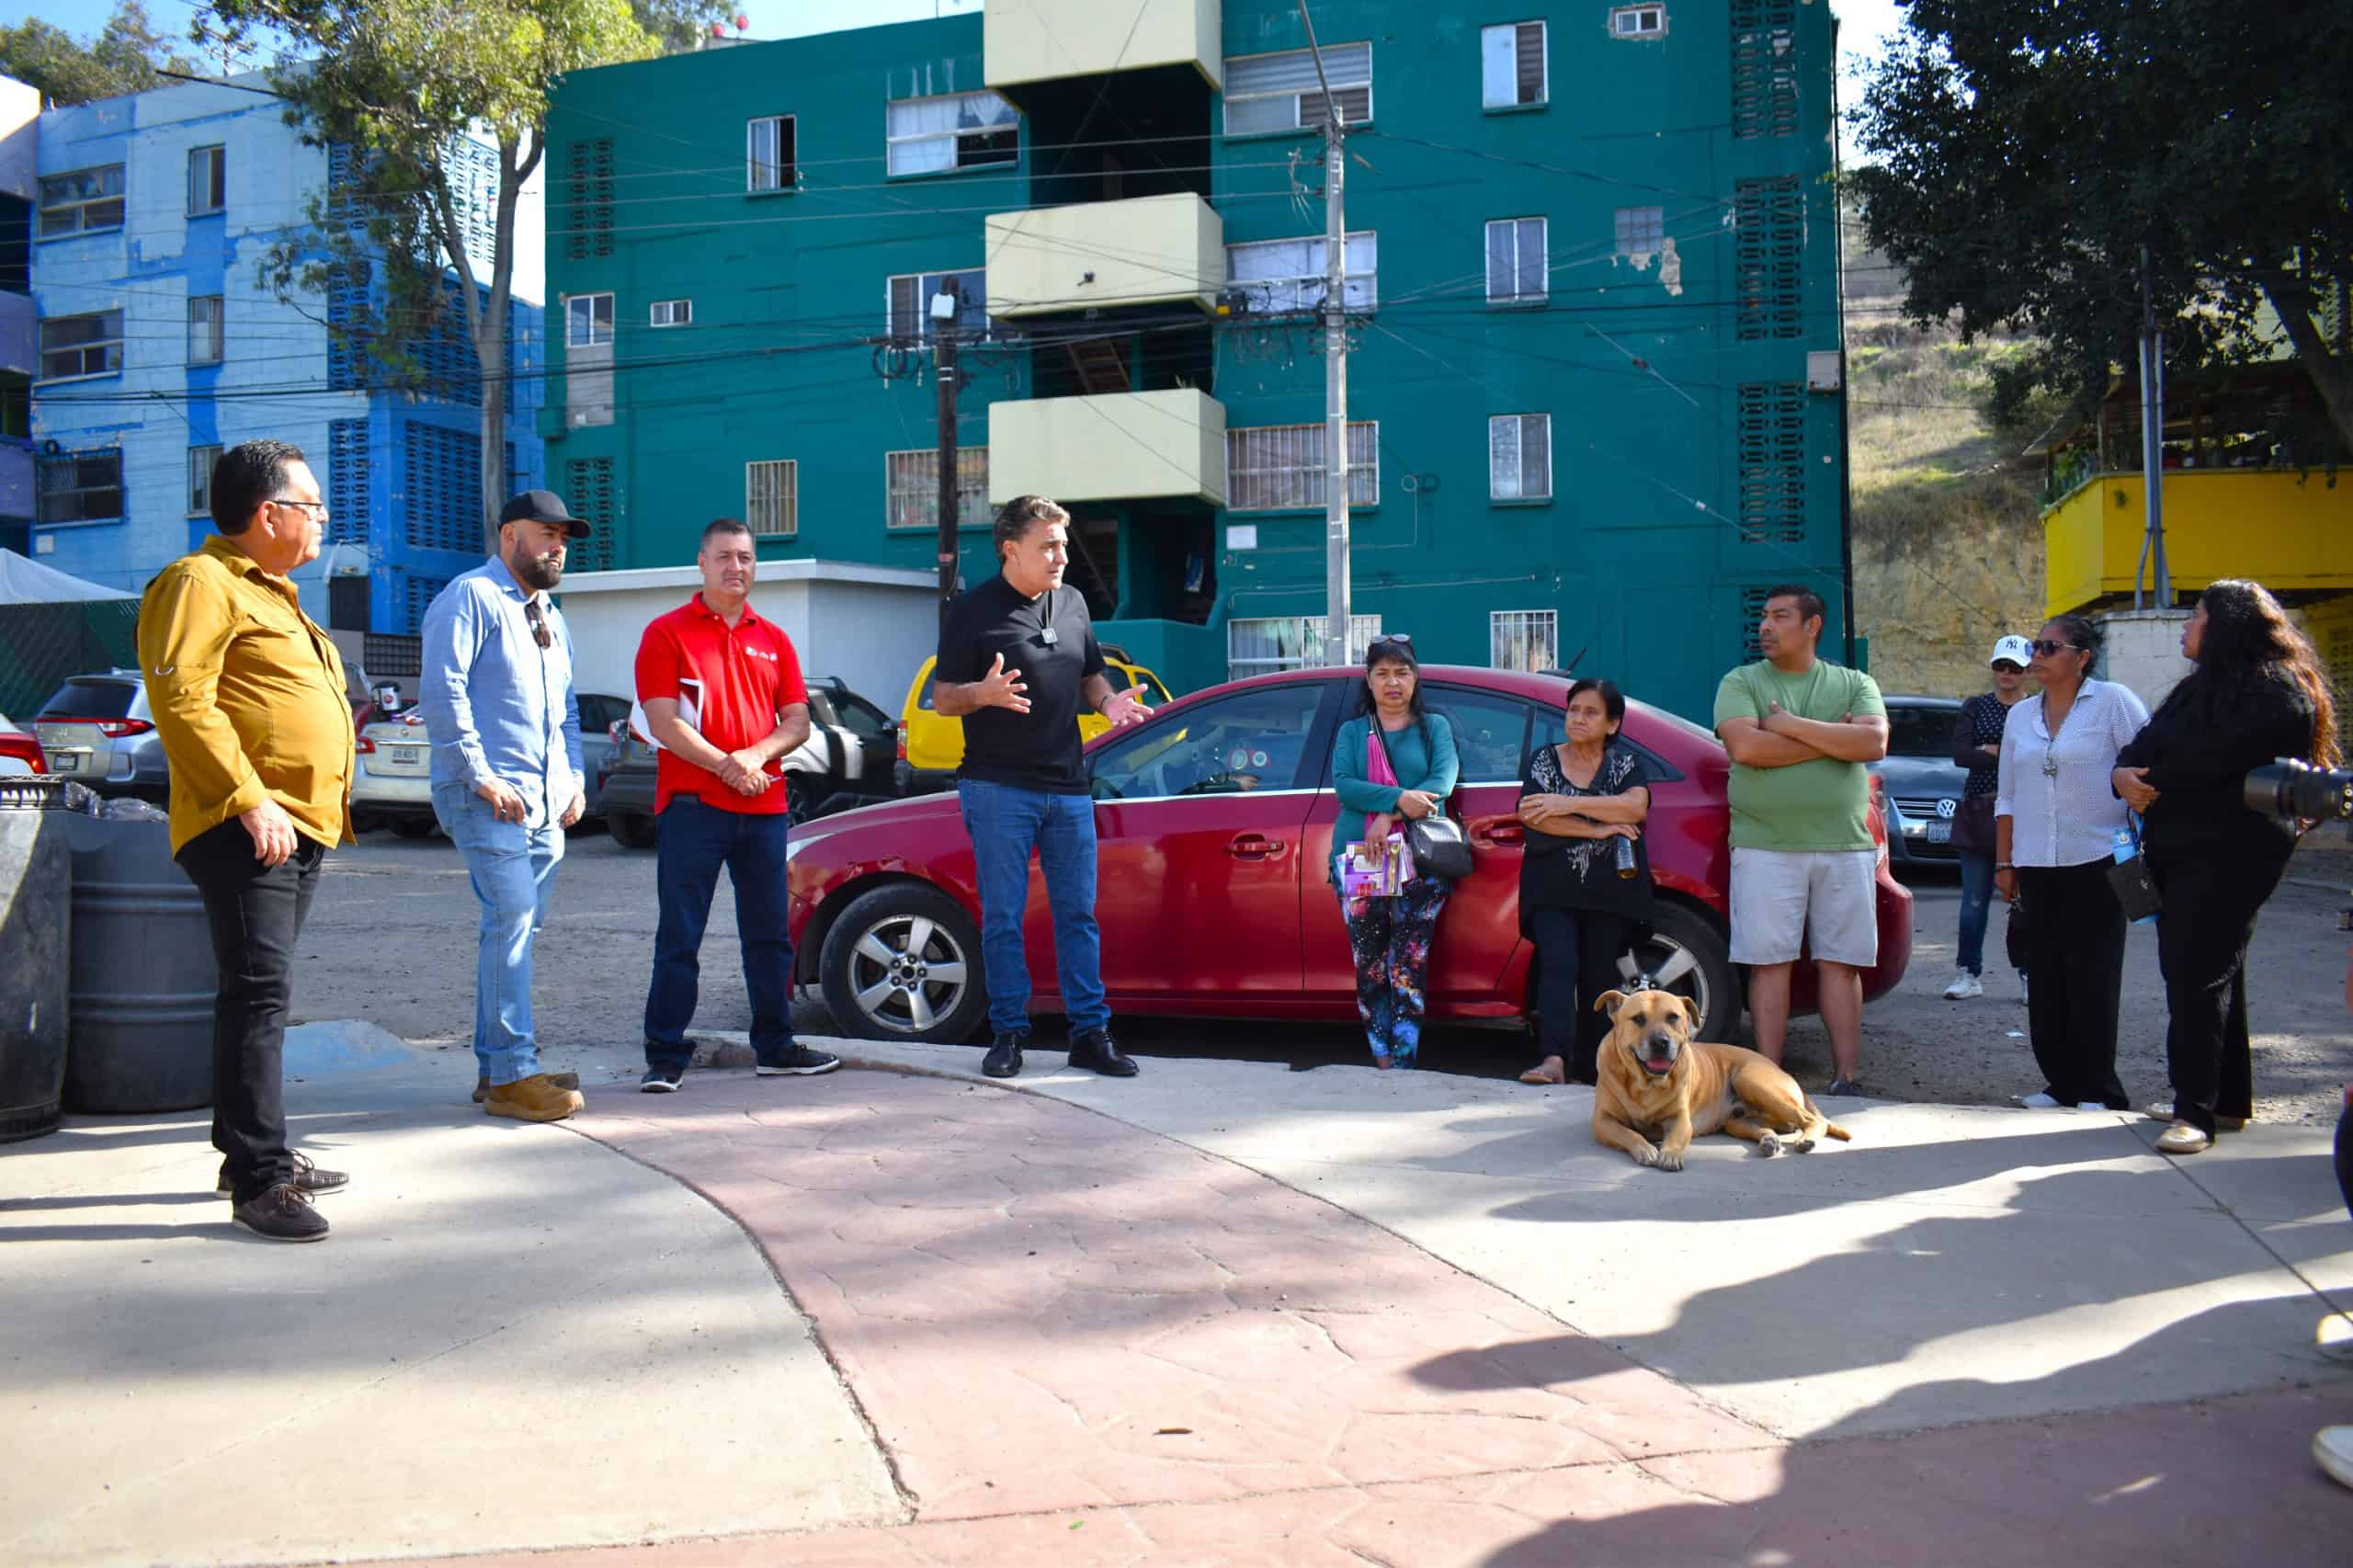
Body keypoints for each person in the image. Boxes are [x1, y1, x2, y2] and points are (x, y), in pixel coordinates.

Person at [138, 440, 355, 1242]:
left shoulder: (275, 593)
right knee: (258, 995)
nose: (323, 519)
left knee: (258, 992)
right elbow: (181, 697)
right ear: (269, 514)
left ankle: (248, 1154)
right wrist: (247, 798)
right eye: (314, 506)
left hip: (293, 824)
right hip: (247, 824)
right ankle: (261, 1181)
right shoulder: (201, 583)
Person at [2111, 579, 2339, 1153]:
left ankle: (2195, 1113)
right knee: (2217, 971)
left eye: (2197, 616)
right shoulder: (2198, 689)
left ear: (2228, 626)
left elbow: (2205, 763)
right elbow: (2143, 744)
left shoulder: (2277, 692)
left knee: (2195, 973)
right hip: (2180, 850)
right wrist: (2122, 774)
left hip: (2234, 855)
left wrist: (2150, 779)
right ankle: (2225, 1100)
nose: (2187, 627)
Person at [933, 494, 1150, 1079]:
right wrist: (984, 694)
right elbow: (943, 696)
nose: (1062, 555)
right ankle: (1008, 1034)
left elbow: (1089, 672)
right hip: (999, 788)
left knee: (1078, 915)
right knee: (1003, 916)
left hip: (1069, 789)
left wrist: (1109, 703)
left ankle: (1090, 1034)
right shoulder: (973, 610)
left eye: (1063, 543)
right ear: (1011, 549)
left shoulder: (1073, 601)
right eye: (1048, 545)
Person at [634, 518, 841, 1091]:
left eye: (746, 557)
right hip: (692, 807)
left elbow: (797, 722)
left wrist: (752, 756)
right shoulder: (666, 633)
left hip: (765, 809)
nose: (736, 567)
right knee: (681, 934)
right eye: (724, 556)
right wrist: (728, 765)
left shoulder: (773, 639)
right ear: (700, 562)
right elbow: (662, 721)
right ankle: (665, 1055)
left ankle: (775, 1046)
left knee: (771, 936)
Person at [418, 490, 592, 1122]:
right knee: (513, 919)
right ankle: (515, 1073)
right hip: (488, 797)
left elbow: (566, 710)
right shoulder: (471, 598)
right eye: (546, 534)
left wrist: (573, 778)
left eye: (564, 538)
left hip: (545, 803)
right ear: (509, 533)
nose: (557, 547)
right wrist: (481, 777)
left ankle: (497, 1066)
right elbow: (443, 691)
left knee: (515, 930)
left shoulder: (550, 614)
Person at [1712, 584, 1888, 1095]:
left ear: (1812, 626)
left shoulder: (1855, 683)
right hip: (1764, 844)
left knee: (1841, 963)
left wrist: (1788, 725)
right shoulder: (1741, 681)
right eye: (1764, 616)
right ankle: (1769, 1079)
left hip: (1845, 844)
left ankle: (1847, 1077)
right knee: (1769, 963)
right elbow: (1746, 748)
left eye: (1780, 616)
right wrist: (1833, 740)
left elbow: (1873, 742)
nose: (1765, 626)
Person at [1993, 615, 2148, 1113]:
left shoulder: (2113, 703)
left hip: (2100, 858)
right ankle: (2059, 1084)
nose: (2036, 655)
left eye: (2049, 647)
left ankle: (2098, 1088)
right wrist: (2004, 861)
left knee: (2093, 975)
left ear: (2082, 658)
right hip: (2036, 861)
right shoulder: (2020, 717)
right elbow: (2007, 797)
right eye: (2037, 646)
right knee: (2046, 975)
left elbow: (2147, 763)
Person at [1329, 634, 1461, 1070]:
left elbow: (1442, 782)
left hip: (1419, 858)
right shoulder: (1353, 732)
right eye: (1382, 673)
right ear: (1368, 681)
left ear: (1415, 678)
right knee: (1369, 962)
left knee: (1408, 962)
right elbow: (1344, 784)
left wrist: (1391, 815)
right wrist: (1395, 802)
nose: (1392, 682)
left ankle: (1405, 1056)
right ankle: (1380, 1052)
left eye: (1401, 673)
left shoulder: (1434, 727)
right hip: (1364, 854)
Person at [1516, 678, 1654, 1086]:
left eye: (1591, 712)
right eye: (1574, 710)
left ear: (1612, 724)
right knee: (1557, 965)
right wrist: (1598, 829)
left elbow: (1635, 806)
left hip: (1609, 889)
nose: (1578, 718)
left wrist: (1568, 804)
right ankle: (1553, 1060)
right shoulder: (1544, 760)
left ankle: (1595, 1067)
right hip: (1551, 887)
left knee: (1599, 976)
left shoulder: (1626, 765)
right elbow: (1532, 815)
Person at [1944, 635, 2035, 1002]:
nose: (2006, 674)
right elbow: (1960, 754)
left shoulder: (2037, 708)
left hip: (2026, 814)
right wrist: (1998, 752)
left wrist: (1991, 750)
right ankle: (1968, 972)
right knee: (1975, 899)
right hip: (1981, 811)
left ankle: (2030, 973)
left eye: (2014, 667)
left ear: (2028, 671)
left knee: (2026, 900)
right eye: (2000, 666)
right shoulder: (1977, 706)